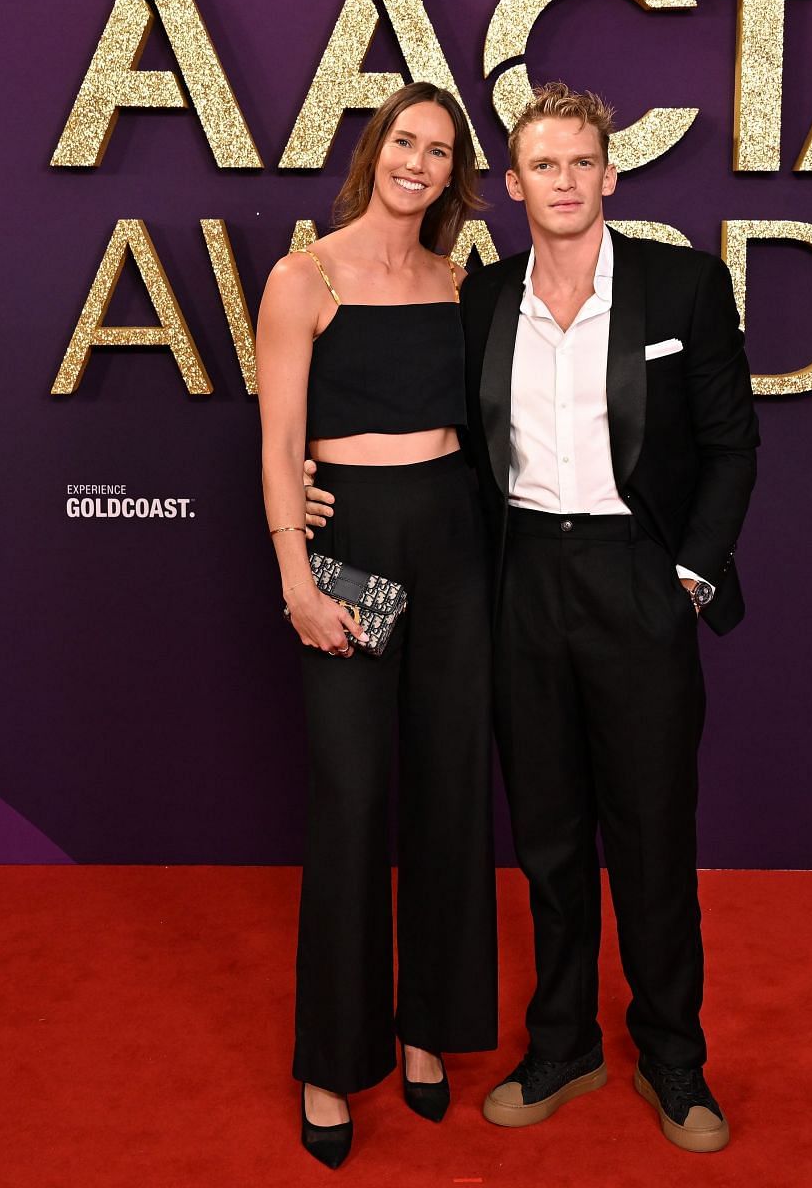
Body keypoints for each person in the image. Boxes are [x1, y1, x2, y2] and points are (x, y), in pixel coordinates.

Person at [305, 82, 758, 1153]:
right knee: (549, 837)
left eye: (580, 162)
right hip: (518, 582)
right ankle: (562, 1041)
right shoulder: (480, 297)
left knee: (653, 835)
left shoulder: (685, 285)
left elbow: (734, 444)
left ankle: (673, 1055)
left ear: (612, 173)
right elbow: (405, 404)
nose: (563, 181)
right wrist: (313, 484)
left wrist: (688, 574)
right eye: (541, 166)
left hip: (637, 572)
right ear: (510, 187)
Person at [256, 81, 497, 1170]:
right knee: (352, 796)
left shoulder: (459, 284)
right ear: (375, 149)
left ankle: (426, 1029)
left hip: (453, 537)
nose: (418, 162)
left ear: (455, 174)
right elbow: (279, 440)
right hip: (348, 539)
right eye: (405, 141)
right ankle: (329, 1057)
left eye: (439, 151)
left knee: (449, 783)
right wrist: (295, 576)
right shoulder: (303, 276)